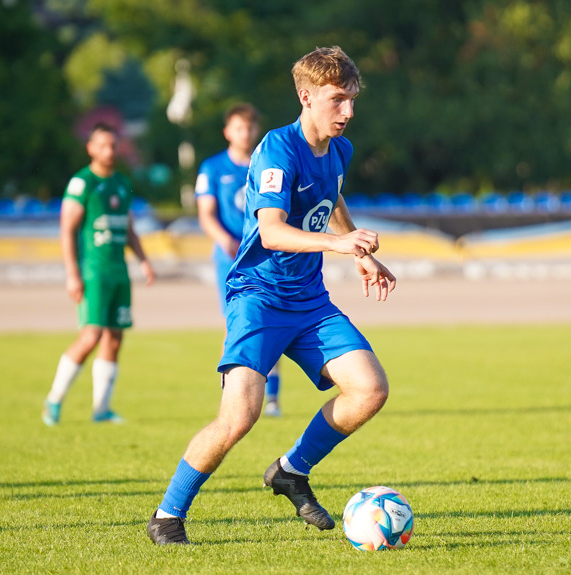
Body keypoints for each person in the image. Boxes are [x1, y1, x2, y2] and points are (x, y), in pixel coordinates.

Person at [147, 46, 395, 545]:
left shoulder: (339, 150)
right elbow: (272, 232)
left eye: (352, 100)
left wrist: (359, 255)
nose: (348, 111)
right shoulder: (277, 151)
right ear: (306, 97)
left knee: (370, 389)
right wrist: (341, 243)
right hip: (258, 297)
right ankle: (168, 515)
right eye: (337, 100)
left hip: (309, 299)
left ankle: (291, 470)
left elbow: (333, 198)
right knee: (240, 416)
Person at [42, 123, 155, 426]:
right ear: (91, 148)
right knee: (91, 335)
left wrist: (143, 260)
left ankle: (101, 408)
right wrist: (72, 274)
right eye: (103, 145)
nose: (109, 151)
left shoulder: (120, 182)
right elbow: (67, 230)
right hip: (94, 272)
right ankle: (54, 400)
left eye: (113, 145)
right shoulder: (83, 183)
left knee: (115, 338)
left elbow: (127, 227)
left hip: (119, 272)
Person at [195, 103, 284, 417]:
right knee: (234, 324)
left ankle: (272, 398)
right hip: (229, 259)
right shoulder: (212, 168)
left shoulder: (268, 162)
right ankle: (230, 397)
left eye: (248, 128)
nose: (244, 134)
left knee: (273, 320)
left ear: (256, 130)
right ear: (227, 131)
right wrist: (224, 240)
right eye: (237, 128)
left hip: (266, 257)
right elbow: (205, 214)